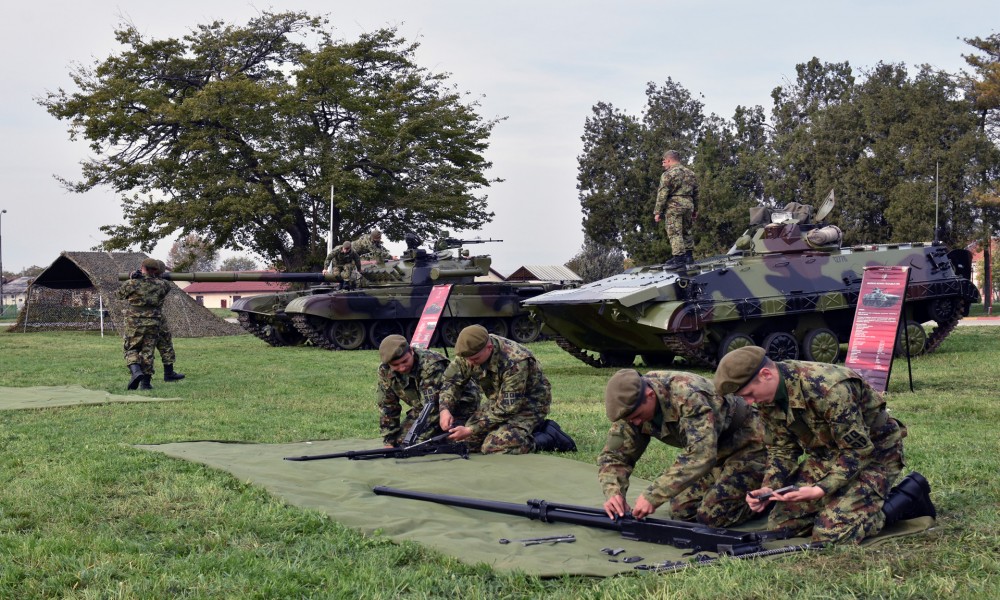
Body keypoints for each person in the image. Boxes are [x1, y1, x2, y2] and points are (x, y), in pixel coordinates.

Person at [713, 346, 934, 544]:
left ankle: (909, 497)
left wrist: (820, 489)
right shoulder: (769, 396)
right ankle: (844, 502)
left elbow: (857, 451)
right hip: (828, 456)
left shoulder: (829, 388)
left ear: (766, 374)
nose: (750, 402)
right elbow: (781, 448)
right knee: (782, 526)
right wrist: (769, 487)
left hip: (875, 456)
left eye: (750, 394)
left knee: (830, 534)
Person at [598, 368, 766, 527]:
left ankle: (770, 493)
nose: (635, 423)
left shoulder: (688, 395)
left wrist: (653, 495)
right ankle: (728, 479)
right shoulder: (631, 407)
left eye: (637, 417)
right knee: (682, 511)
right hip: (715, 449)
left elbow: (701, 456)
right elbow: (614, 456)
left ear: (650, 395)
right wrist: (614, 492)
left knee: (712, 515)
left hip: (748, 444)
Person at [438, 325, 551, 454]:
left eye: (475, 359)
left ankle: (543, 437)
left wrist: (470, 429)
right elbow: (451, 382)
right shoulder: (470, 352)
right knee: (463, 443)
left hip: (529, 405)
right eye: (467, 359)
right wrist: (444, 409)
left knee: (494, 447)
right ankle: (511, 432)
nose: (470, 363)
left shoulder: (515, 361)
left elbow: (508, 408)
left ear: (489, 348)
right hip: (498, 401)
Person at [376, 334, 479, 447]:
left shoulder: (431, 365)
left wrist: (418, 441)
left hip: (458, 406)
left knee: (455, 441)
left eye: (405, 361)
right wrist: (389, 440)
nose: (402, 368)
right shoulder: (385, 371)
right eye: (395, 365)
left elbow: (432, 407)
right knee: (401, 441)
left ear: (411, 351)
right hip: (423, 408)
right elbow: (388, 406)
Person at [117, 258, 171, 390]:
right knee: (148, 351)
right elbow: (163, 286)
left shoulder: (132, 283)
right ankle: (146, 384)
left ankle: (136, 372)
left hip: (134, 322)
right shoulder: (163, 285)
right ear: (156, 270)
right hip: (154, 322)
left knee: (131, 348)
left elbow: (118, 295)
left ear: (142, 267)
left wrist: (131, 277)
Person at [653, 149, 698, 267]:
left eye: (664, 161)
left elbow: (662, 194)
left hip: (674, 206)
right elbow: (696, 193)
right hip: (689, 204)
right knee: (687, 230)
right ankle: (689, 257)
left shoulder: (668, 174)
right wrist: (695, 210)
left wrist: (658, 211)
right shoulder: (690, 173)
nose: (663, 164)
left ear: (668, 160)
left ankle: (678, 258)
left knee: (674, 232)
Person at [152, 260, 185, 382]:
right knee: (165, 346)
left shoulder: (135, 282)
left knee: (145, 349)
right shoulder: (163, 284)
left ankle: (143, 378)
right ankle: (169, 373)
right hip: (158, 318)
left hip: (139, 321)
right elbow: (165, 286)